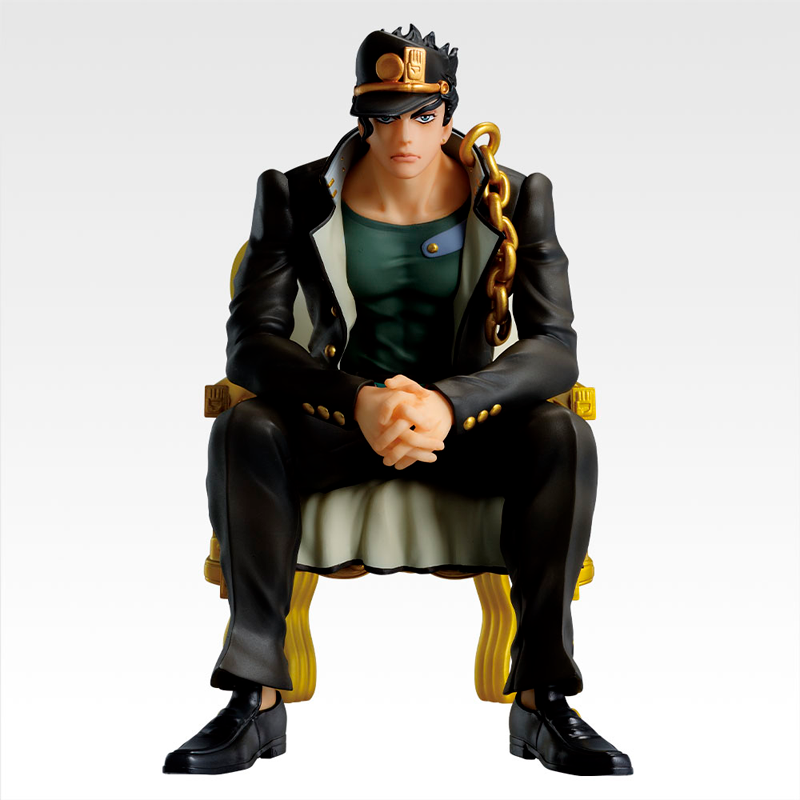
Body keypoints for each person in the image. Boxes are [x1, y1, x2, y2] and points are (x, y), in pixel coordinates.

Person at [164, 24, 632, 777]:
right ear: (360, 119)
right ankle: (253, 697)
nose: (403, 135)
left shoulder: (517, 197)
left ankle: (544, 697)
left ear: (449, 117)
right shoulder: (295, 194)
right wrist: (356, 400)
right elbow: (251, 344)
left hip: (465, 428)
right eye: (384, 116)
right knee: (245, 428)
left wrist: (451, 402)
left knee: (562, 434)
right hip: (339, 423)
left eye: (422, 115)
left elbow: (555, 347)